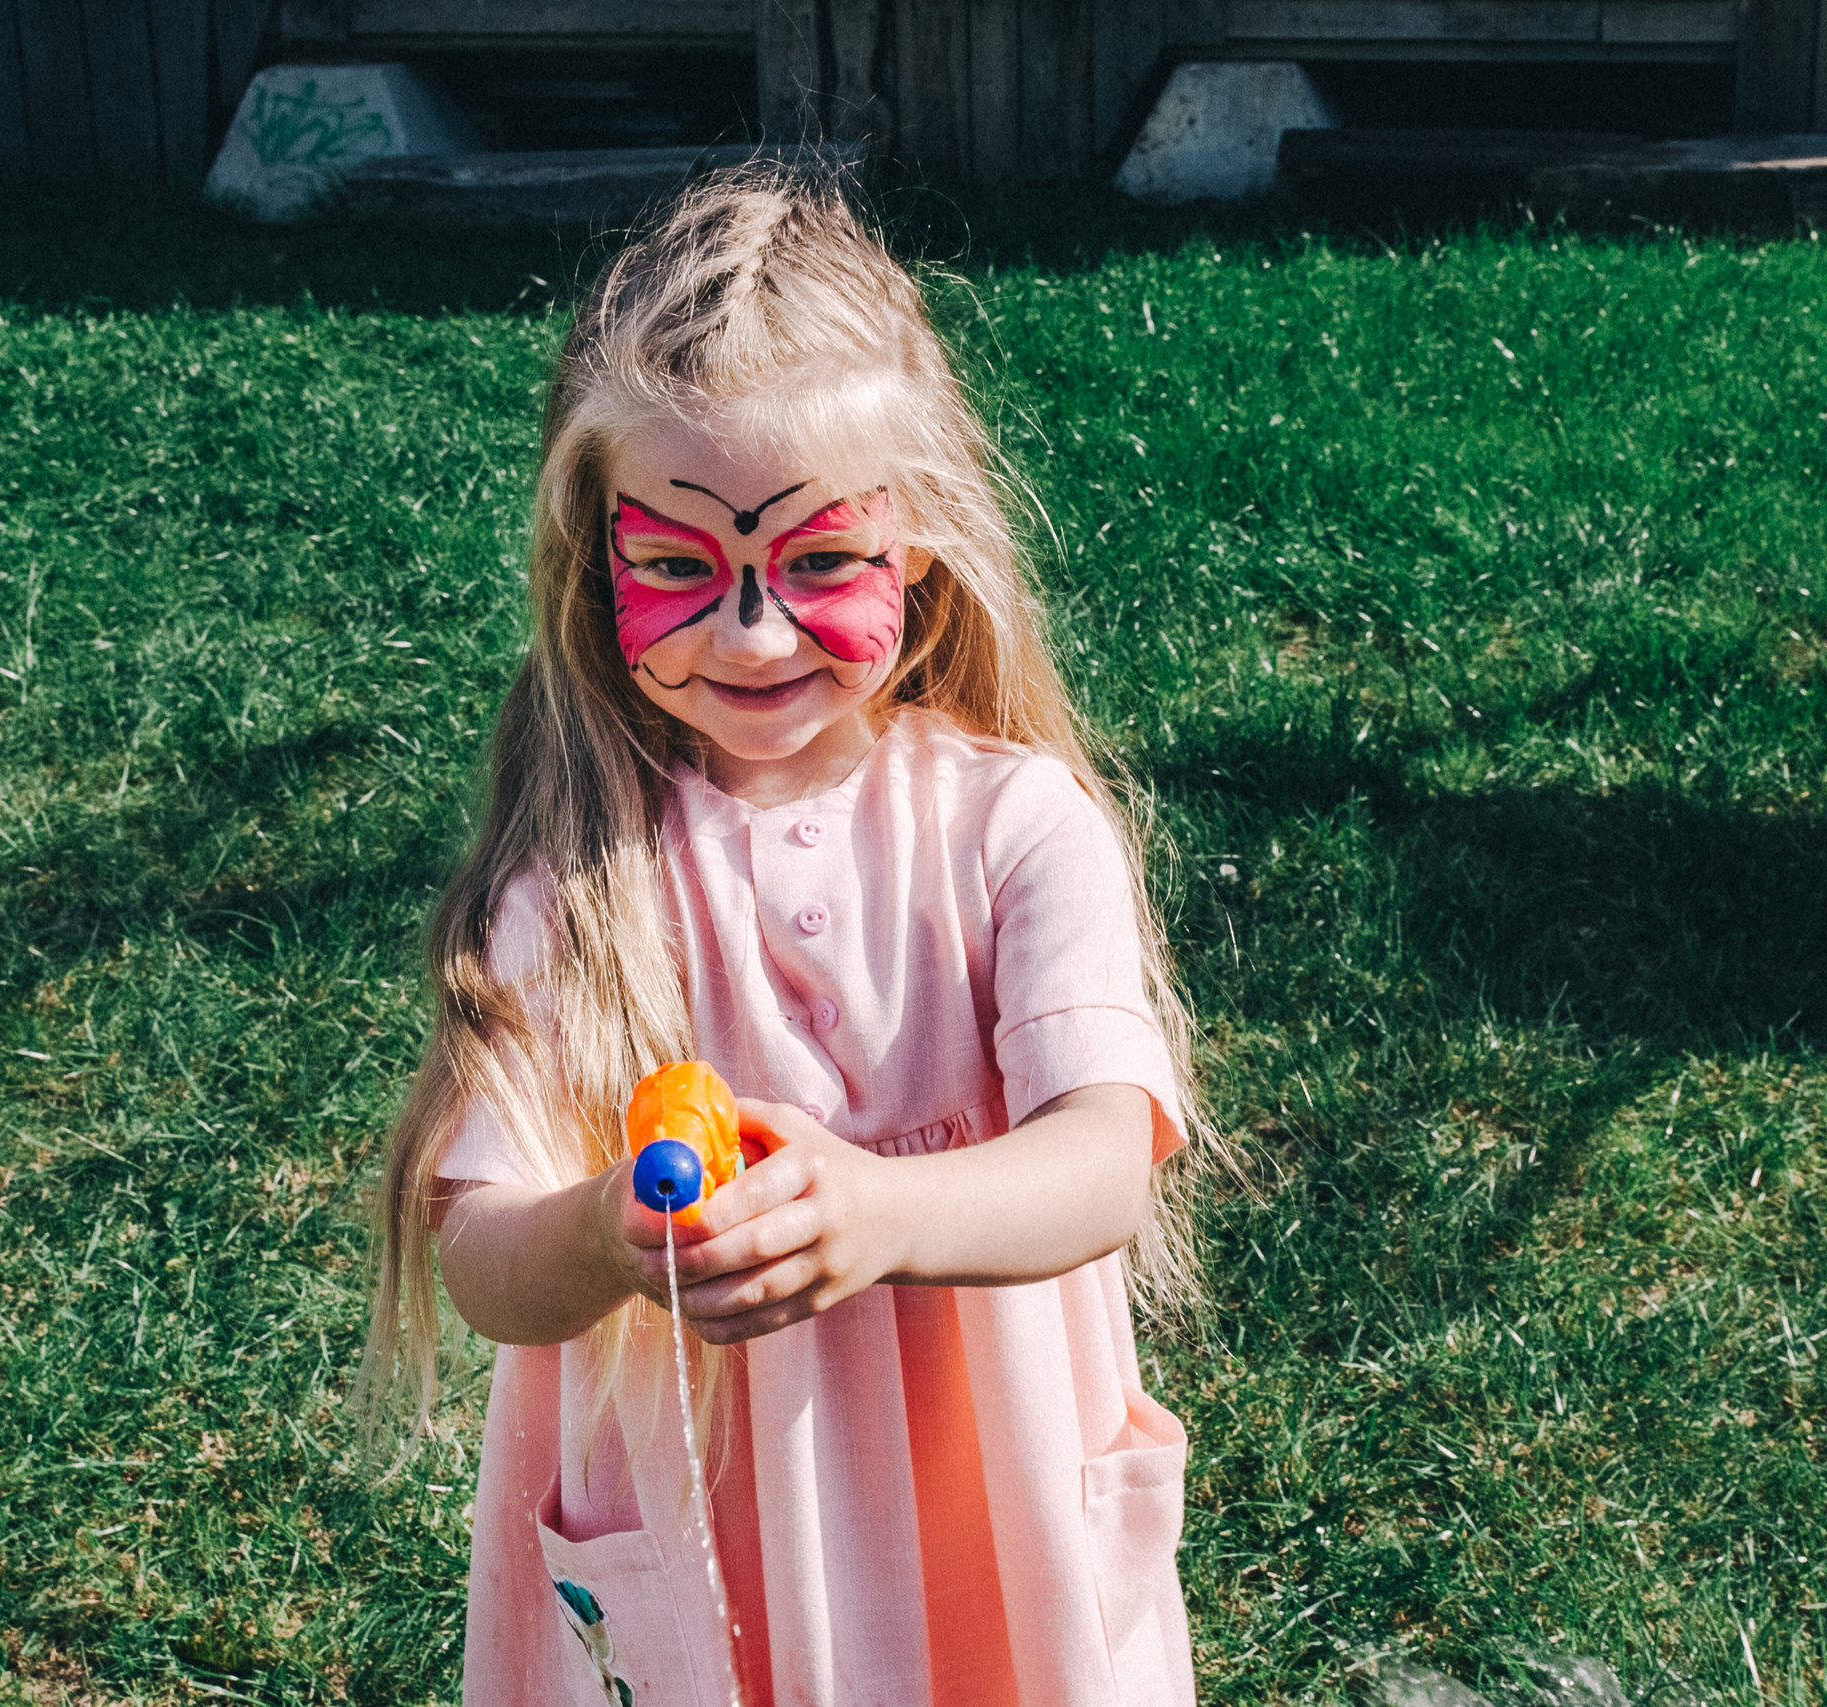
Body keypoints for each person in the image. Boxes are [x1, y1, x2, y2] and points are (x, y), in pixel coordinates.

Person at [362, 167, 1218, 1707]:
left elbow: (1102, 1162)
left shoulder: (1017, 831)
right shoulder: (578, 887)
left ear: (922, 542)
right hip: (706, 1561)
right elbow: (482, 1260)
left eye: (821, 560)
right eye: (677, 565)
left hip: (987, 1531)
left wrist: (884, 1212)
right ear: (595, 557)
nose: (753, 631)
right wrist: (601, 1236)